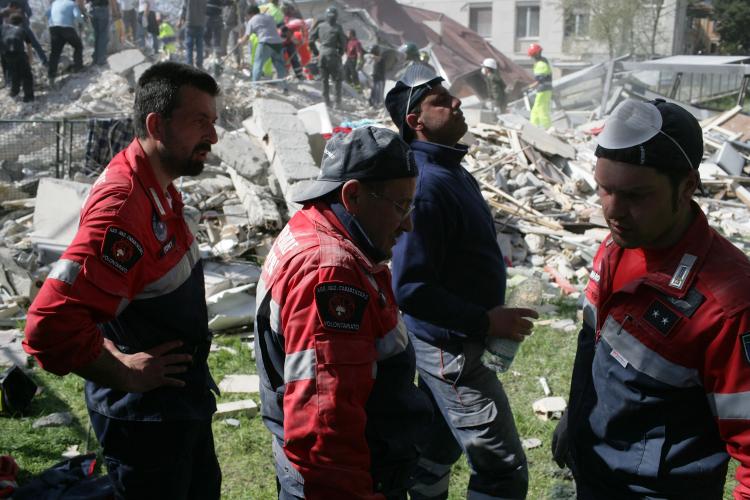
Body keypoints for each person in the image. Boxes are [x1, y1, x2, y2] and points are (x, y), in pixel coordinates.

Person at [23, 61, 222, 499]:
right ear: (157, 125)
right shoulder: (124, 208)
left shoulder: (158, 186)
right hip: (149, 422)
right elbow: (49, 325)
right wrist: (125, 374)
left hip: (175, 406)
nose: (213, 136)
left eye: (214, 121)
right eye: (199, 121)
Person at [551, 98, 750, 499]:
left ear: (687, 187)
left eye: (636, 195)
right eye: (604, 189)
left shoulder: (728, 305)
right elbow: (594, 347)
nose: (613, 211)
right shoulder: (616, 247)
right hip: (597, 469)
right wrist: (576, 419)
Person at [254, 126, 433, 499]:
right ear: (352, 195)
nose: (408, 223)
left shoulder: (314, 226)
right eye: (401, 205)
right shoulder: (329, 271)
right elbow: (323, 419)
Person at [385, 71, 538, 499]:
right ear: (416, 120)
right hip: (452, 352)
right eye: (441, 100)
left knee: (436, 448)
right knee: (502, 468)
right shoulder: (429, 185)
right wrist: (485, 321)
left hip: (458, 339)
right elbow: (410, 287)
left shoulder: (450, 169)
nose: (456, 102)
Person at [240, 4, 287, 91]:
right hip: (278, 43)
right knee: (280, 66)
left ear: (250, 14)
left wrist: (240, 41)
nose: (246, 18)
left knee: (258, 63)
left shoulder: (252, 20)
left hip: (265, 43)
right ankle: (284, 87)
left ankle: (255, 87)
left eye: (247, 16)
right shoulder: (269, 17)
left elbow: (245, 38)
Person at [309, 5, 345, 107]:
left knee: (324, 80)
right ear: (336, 16)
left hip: (322, 56)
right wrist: (340, 53)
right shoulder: (338, 27)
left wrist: (316, 52)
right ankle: (337, 103)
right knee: (336, 80)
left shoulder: (320, 26)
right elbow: (343, 43)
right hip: (333, 55)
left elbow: (311, 40)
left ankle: (326, 102)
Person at [46, 0, 83, 86]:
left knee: (55, 53)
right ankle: (77, 67)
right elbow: (78, 16)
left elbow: (47, 14)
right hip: (67, 28)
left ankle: (51, 77)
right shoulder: (72, 4)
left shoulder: (55, 3)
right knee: (78, 46)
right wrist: (82, 19)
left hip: (53, 28)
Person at [1, 13, 33, 101]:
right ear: (21, 23)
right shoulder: (22, 30)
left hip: (6, 55)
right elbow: (29, 46)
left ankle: (14, 92)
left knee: (14, 73)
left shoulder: (3, 29)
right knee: (26, 75)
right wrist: (30, 59)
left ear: (10, 21)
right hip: (19, 54)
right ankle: (28, 97)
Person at [527, 43, 552, 129]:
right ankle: (533, 127)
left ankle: (547, 128)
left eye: (532, 55)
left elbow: (540, 80)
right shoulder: (543, 62)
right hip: (544, 90)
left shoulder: (541, 64)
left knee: (541, 109)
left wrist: (529, 87)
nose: (532, 58)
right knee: (535, 109)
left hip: (544, 90)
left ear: (536, 54)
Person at [90, 0, 118, 66]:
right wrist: (114, 11)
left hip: (92, 10)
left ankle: (95, 59)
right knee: (103, 35)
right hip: (103, 9)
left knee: (96, 35)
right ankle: (101, 59)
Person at [180, 0, 206, 69]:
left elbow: (184, 8)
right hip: (201, 23)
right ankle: (199, 64)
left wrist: (181, 19)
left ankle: (189, 65)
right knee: (199, 45)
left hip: (190, 23)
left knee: (189, 46)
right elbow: (206, 9)